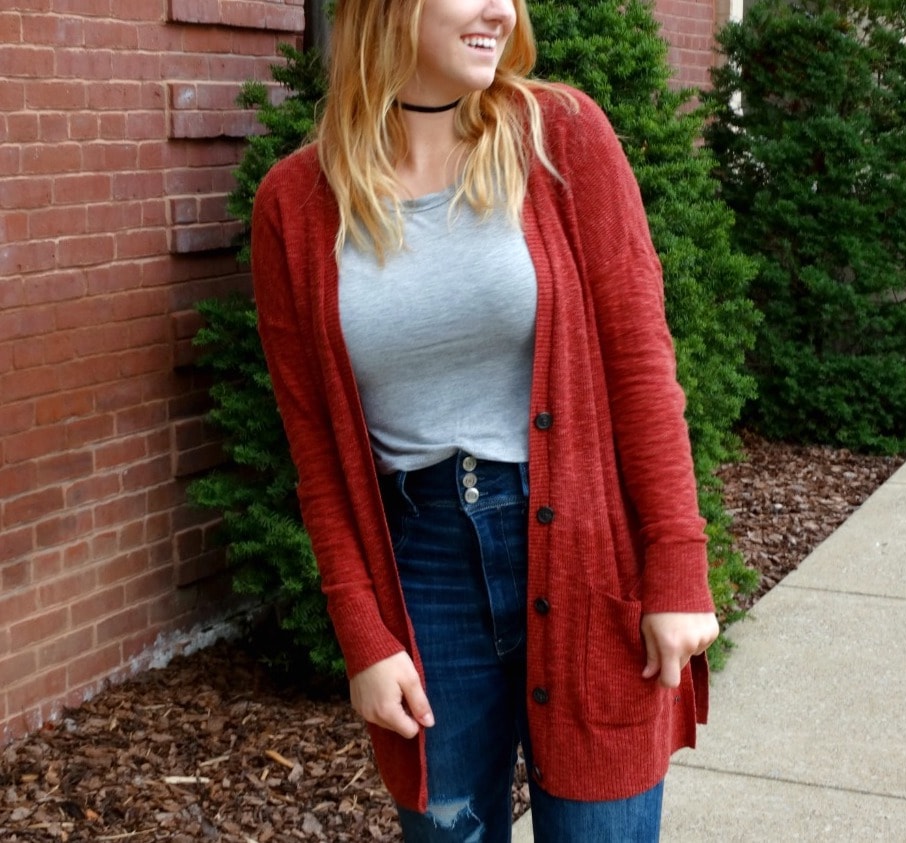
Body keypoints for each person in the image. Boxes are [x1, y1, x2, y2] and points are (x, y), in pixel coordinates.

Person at [250, 0, 720, 840]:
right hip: (421, 573)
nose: (499, 10)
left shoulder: (562, 136)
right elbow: (315, 452)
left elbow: (642, 367)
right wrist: (363, 632)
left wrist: (677, 566)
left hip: (582, 548)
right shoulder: (295, 202)